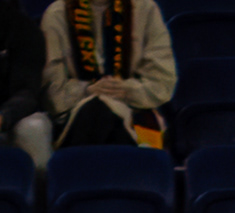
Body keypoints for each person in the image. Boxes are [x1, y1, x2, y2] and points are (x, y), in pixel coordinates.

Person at [42, 0, 175, 149]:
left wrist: (126, 90)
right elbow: (53, 94)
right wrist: (86, 90)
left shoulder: (145, 9)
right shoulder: (57, 13)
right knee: (97, 111)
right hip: (75, 115)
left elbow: (162, 83)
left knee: (108, 114)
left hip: (136, 110)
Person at [1, 0, 50, 167]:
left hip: (12, 114)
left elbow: (27, 92)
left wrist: (4, 117)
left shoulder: (22, 29)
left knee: (34, 128)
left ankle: (39, 183)